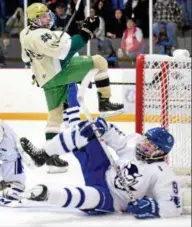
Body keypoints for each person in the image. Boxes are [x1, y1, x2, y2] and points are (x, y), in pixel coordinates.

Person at [17, 84, 182, 219]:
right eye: (146, 140)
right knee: (88, 131)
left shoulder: (162, 172)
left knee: (92, 198)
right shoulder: (132, 143)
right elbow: (113, 135)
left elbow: (173, 207)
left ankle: (47, 195)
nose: (145, 145)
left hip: (112, 199)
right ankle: (43, 154)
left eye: (151, 146)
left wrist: (153, 208)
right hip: (101, 170)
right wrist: (103, 126)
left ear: (160, 153)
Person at [19, 3, 124, 173]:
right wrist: (86, 33)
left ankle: (51, 159)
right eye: (43, 16)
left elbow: (26, 58)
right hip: (59, 72)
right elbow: (65, 52)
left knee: (54, 117)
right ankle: (104, 101)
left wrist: (37, 72)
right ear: (35, 20)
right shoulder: (41, 35)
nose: (48, 18)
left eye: (47, 14)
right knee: (99, 61)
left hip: (46, 79)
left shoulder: (25, 33)